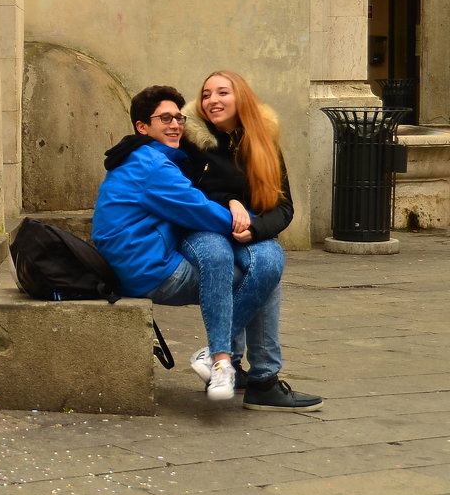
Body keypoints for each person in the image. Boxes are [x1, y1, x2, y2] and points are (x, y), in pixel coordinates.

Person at [92, 85, 282, 401]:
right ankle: (249, 372)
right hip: (150, 272)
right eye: (165, 118)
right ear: (142, 127)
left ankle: (229, 363)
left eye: (179, 118)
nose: (176, 125)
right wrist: (252, 223)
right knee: (265, 274)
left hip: (136, 263)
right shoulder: (151, 165)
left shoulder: (142, 157)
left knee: (259, 269)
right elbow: (198, 209)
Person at [181, 71, 323, 411]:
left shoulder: (264, 141)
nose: (212, 100)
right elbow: (185, 195)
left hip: (250, 232)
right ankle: (258, 377)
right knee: (263, 278)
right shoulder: (191, 141)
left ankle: (221, 358)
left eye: (222, 92)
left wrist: (255, 230)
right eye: (206, 94)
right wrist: (229, 204)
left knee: (271, 263)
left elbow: (284, 206)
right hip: (205, 229)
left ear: (241, 97)